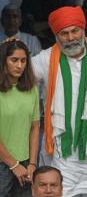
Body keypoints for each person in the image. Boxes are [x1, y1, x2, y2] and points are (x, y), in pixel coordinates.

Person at [31, 6, 87, 197]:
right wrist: (6, 51)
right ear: (56, 36)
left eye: (75, 31)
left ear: (83, 30)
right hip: (63, 157)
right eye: (64, 33)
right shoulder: (44, 59)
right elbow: (16, 75)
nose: (71, 38)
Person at [0, 40, 40, 196]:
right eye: (14, 60)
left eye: (23, 61)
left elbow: (35, 127)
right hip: (4, 163)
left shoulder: (32, 89)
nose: (19, 66)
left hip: (25, 164)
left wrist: (32, 163)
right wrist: (13, 165)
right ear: (3, 61)